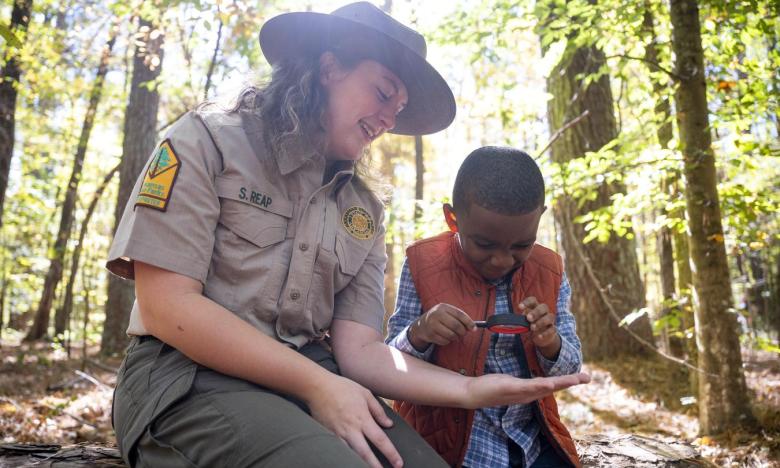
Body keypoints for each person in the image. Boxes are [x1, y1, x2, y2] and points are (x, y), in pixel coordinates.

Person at [107, 3, 590, 467]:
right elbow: (167, 307)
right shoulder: (208, 140)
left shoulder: (363, 209)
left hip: (312, 380)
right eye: (383, 93)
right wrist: (318, 386)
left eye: (398, 109)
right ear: (329, 67)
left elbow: (359, 352)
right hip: (185, 377)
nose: (388, 120)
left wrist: (469, 391)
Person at [386, 146, 584, 468]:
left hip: (531, 444)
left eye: (521, 245)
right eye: (485, 244)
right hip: (447, 446)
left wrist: (550, 343)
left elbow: (569, 367)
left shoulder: (549, 271)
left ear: (539, 218)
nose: (502, 260)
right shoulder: (423, 264)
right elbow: (388, 362)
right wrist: (420, 332)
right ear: (453, 219)